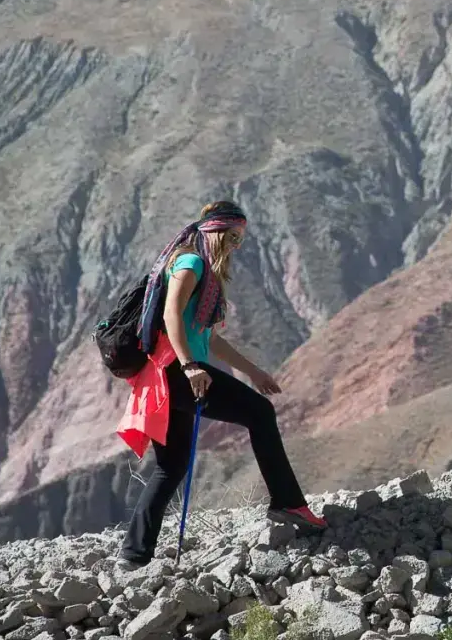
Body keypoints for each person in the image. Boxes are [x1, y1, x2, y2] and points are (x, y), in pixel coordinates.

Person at [116, 200, 324, 568]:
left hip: (172, 375)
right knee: (260, 414)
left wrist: (253, 372)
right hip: (177, 374)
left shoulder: (199, 270)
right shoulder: (191, 263)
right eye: (233, 237)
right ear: (215, 231)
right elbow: (170, 316)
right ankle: (288, 503)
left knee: (171, 466)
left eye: (241, 239)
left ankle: (133, 555)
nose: (237, 246)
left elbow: (209, 338)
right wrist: (191, 366)